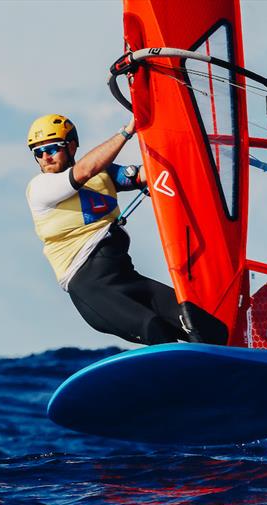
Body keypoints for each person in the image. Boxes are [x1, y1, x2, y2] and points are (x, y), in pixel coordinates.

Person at [25, 113, 188, 345]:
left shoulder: (104, 174)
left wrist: (183, 151)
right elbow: (84, 171)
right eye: (38, 153)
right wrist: (126, 132)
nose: (45, 157)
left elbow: (144, 174)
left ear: (71, 146)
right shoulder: (40, 188)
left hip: (125, 276)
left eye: (52, 148)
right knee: (157, 331)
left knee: (197, 321)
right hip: (91, 286)